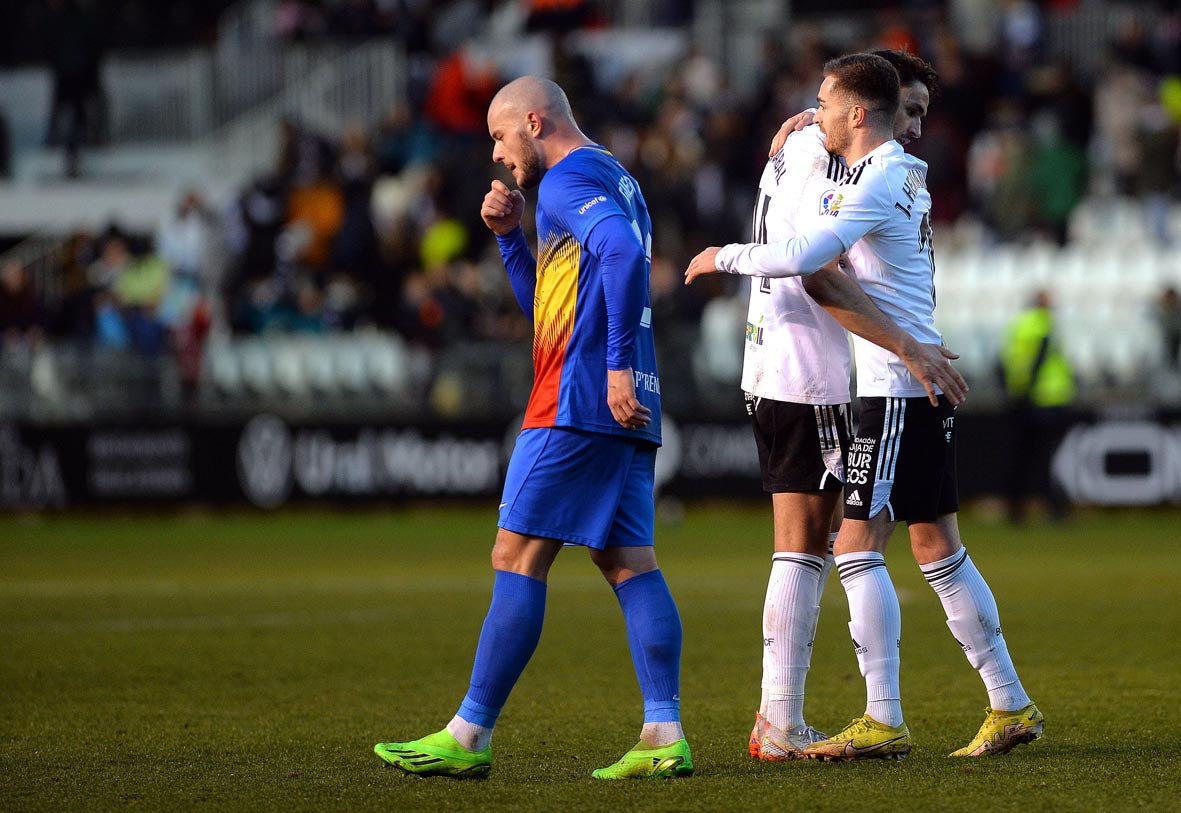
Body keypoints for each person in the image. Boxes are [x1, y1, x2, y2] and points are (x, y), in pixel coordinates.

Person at [686, 53, 1042, 760]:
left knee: (852, 545)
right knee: (936, 544)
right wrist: (801, 137)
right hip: (910, 378)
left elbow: (812, 256)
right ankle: (1009, 703)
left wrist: (723, 255)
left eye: (823, 101)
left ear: (855, 113)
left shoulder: (877, 175)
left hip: (889, 384)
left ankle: (883, 716)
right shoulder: (897, 173)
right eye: (908, 110)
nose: (813, 110)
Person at [374, 76, 692, 780]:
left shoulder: (566, 181)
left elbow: (620, 256)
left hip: (578, 401)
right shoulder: (613, 176)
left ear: (536, 121)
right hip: (627, 398)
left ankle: (468, 733)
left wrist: (607, 367)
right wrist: (508, 239)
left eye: (499, 135)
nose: (496, 154)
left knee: (515, 555)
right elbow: (550, 308)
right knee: (626, 561)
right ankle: (663, 730)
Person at [737, 49, 967, 762]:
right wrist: (906, 345)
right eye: (909, 113)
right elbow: (819, 272)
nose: (914, 132)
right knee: (823, 543)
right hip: (817, 368)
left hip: (775, 359)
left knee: (812, 539)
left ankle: (784, 716)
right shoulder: (826, 155)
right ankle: (794, 717)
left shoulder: (807, 139)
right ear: (872, 105)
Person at [1001, 289, 1075, 523]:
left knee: (1022, 456)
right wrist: (1029, 389)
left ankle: (1016, 509)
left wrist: (1015, 391)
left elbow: (1007, 360)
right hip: (1045, 399)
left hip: (1023, 398)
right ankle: (1053, 509)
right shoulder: (1043, 323)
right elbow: (1040, 357)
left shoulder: (1018, 325)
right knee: (1044, 457)